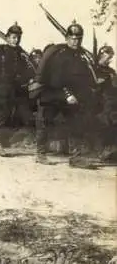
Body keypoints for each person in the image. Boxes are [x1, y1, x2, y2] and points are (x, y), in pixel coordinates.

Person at [34, 20, 98, 169]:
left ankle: (76, 157)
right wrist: (67, 94)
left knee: (76, 124)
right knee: (45, 123)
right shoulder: (60, 55)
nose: (76, 41)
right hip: (53, 94)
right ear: (67, 38)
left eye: (78, 38)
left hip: (72, 97)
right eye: (73, 38)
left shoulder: (81, 56)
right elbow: (56, 79)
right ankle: (40, 154)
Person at [0, 22, 33, 156]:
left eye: (18, 37)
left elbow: (26, 70)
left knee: (8, 114)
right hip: (0, 88)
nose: (15, 40)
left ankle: (0, 142)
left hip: (14, 89)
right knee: (0, 114)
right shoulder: (0, 52)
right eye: (13, 37)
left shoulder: (21, 53)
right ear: (7, 37)